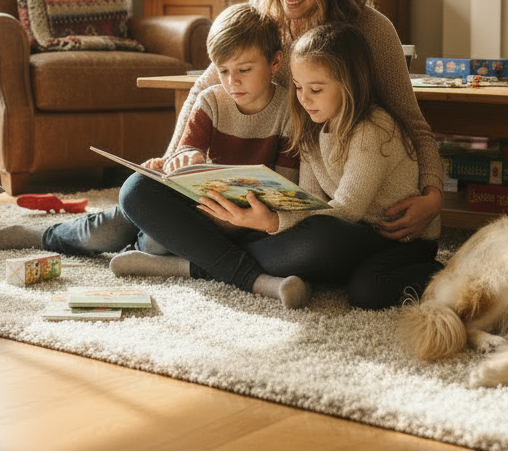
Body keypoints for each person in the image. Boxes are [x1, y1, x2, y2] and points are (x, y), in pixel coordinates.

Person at [0, 4, 309, 309]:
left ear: (275, 62)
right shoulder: (211, 101)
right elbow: (186, 150)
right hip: (197, 212)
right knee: (110, 227)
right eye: (223, 71)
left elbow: (284, 188)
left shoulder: (289, 111)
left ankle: (151, 256)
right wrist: (182, 161)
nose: (232, 82)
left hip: (246, 222)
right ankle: (44, 235)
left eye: (244, 70)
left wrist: (241, 217)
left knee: (159, 241)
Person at [120, 23, 442, 309]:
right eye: (299, 87)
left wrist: (273, 222)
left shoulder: (374, 128)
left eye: (316, 89)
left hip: (399, 239)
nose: (304, 99)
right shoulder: (311, 128)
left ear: (351, 85)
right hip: (350, 239)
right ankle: (241, 266)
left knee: (364, 290)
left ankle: (197, 264)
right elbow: (310, 202)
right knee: (138, 190)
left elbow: (347, 209)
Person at [168, 0, 444, 243]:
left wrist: (433, 197)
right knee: (137, 191)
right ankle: (223, 255)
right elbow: (204, 87)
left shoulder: (373, 31)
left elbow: (415, 126)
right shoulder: (263, 21)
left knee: (312, 246)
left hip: (318, 209)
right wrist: (173, 160)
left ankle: (212, 254)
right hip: (260, 192)